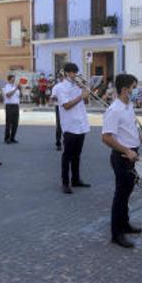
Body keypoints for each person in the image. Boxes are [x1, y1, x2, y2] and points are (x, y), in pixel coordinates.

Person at [101, 73, 142, 249]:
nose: (137, 91)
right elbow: (106, 137)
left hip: (131, 154)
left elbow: (131, 133)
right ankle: (116, 234)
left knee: (127, 193)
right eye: (134, 88)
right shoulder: (115, 110)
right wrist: (127, 150)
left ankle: (125, 224)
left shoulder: (128, 107)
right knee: (120, 195)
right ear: (125, 90)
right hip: (122, 157)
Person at [53, 63, 91, 193]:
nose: (75, 75)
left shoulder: (78, 85)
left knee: (77, 155)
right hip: (69, 125)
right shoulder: (60, 87)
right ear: (67, 73)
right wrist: (81, 96)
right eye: (73, 73)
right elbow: (67, 105)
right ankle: (65, 182)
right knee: (67, 156)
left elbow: (86, 102)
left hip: (81, 124)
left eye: (76, 72)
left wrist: (86, 91)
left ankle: (76, 179)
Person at [3, 74, 20, 144]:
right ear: (9, 79)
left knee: (15, 123)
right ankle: (7, 138)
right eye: (13, 78)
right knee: (9, 123)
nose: (14, 80)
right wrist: (15, 89)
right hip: (9, 106)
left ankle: (12, 137)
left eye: (14, 78)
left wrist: (16, 88)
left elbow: (17, 97)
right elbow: (8, 95)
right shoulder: (7, 87)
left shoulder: (15, 87)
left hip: (16, 105)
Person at [49, 75, 62, 151]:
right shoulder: (56, 87)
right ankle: (58, 142)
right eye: (60, 77)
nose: (62, 78)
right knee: (59, 125)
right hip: (59, 107)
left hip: (69, 107)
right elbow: (52, 97)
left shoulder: (70, 85)